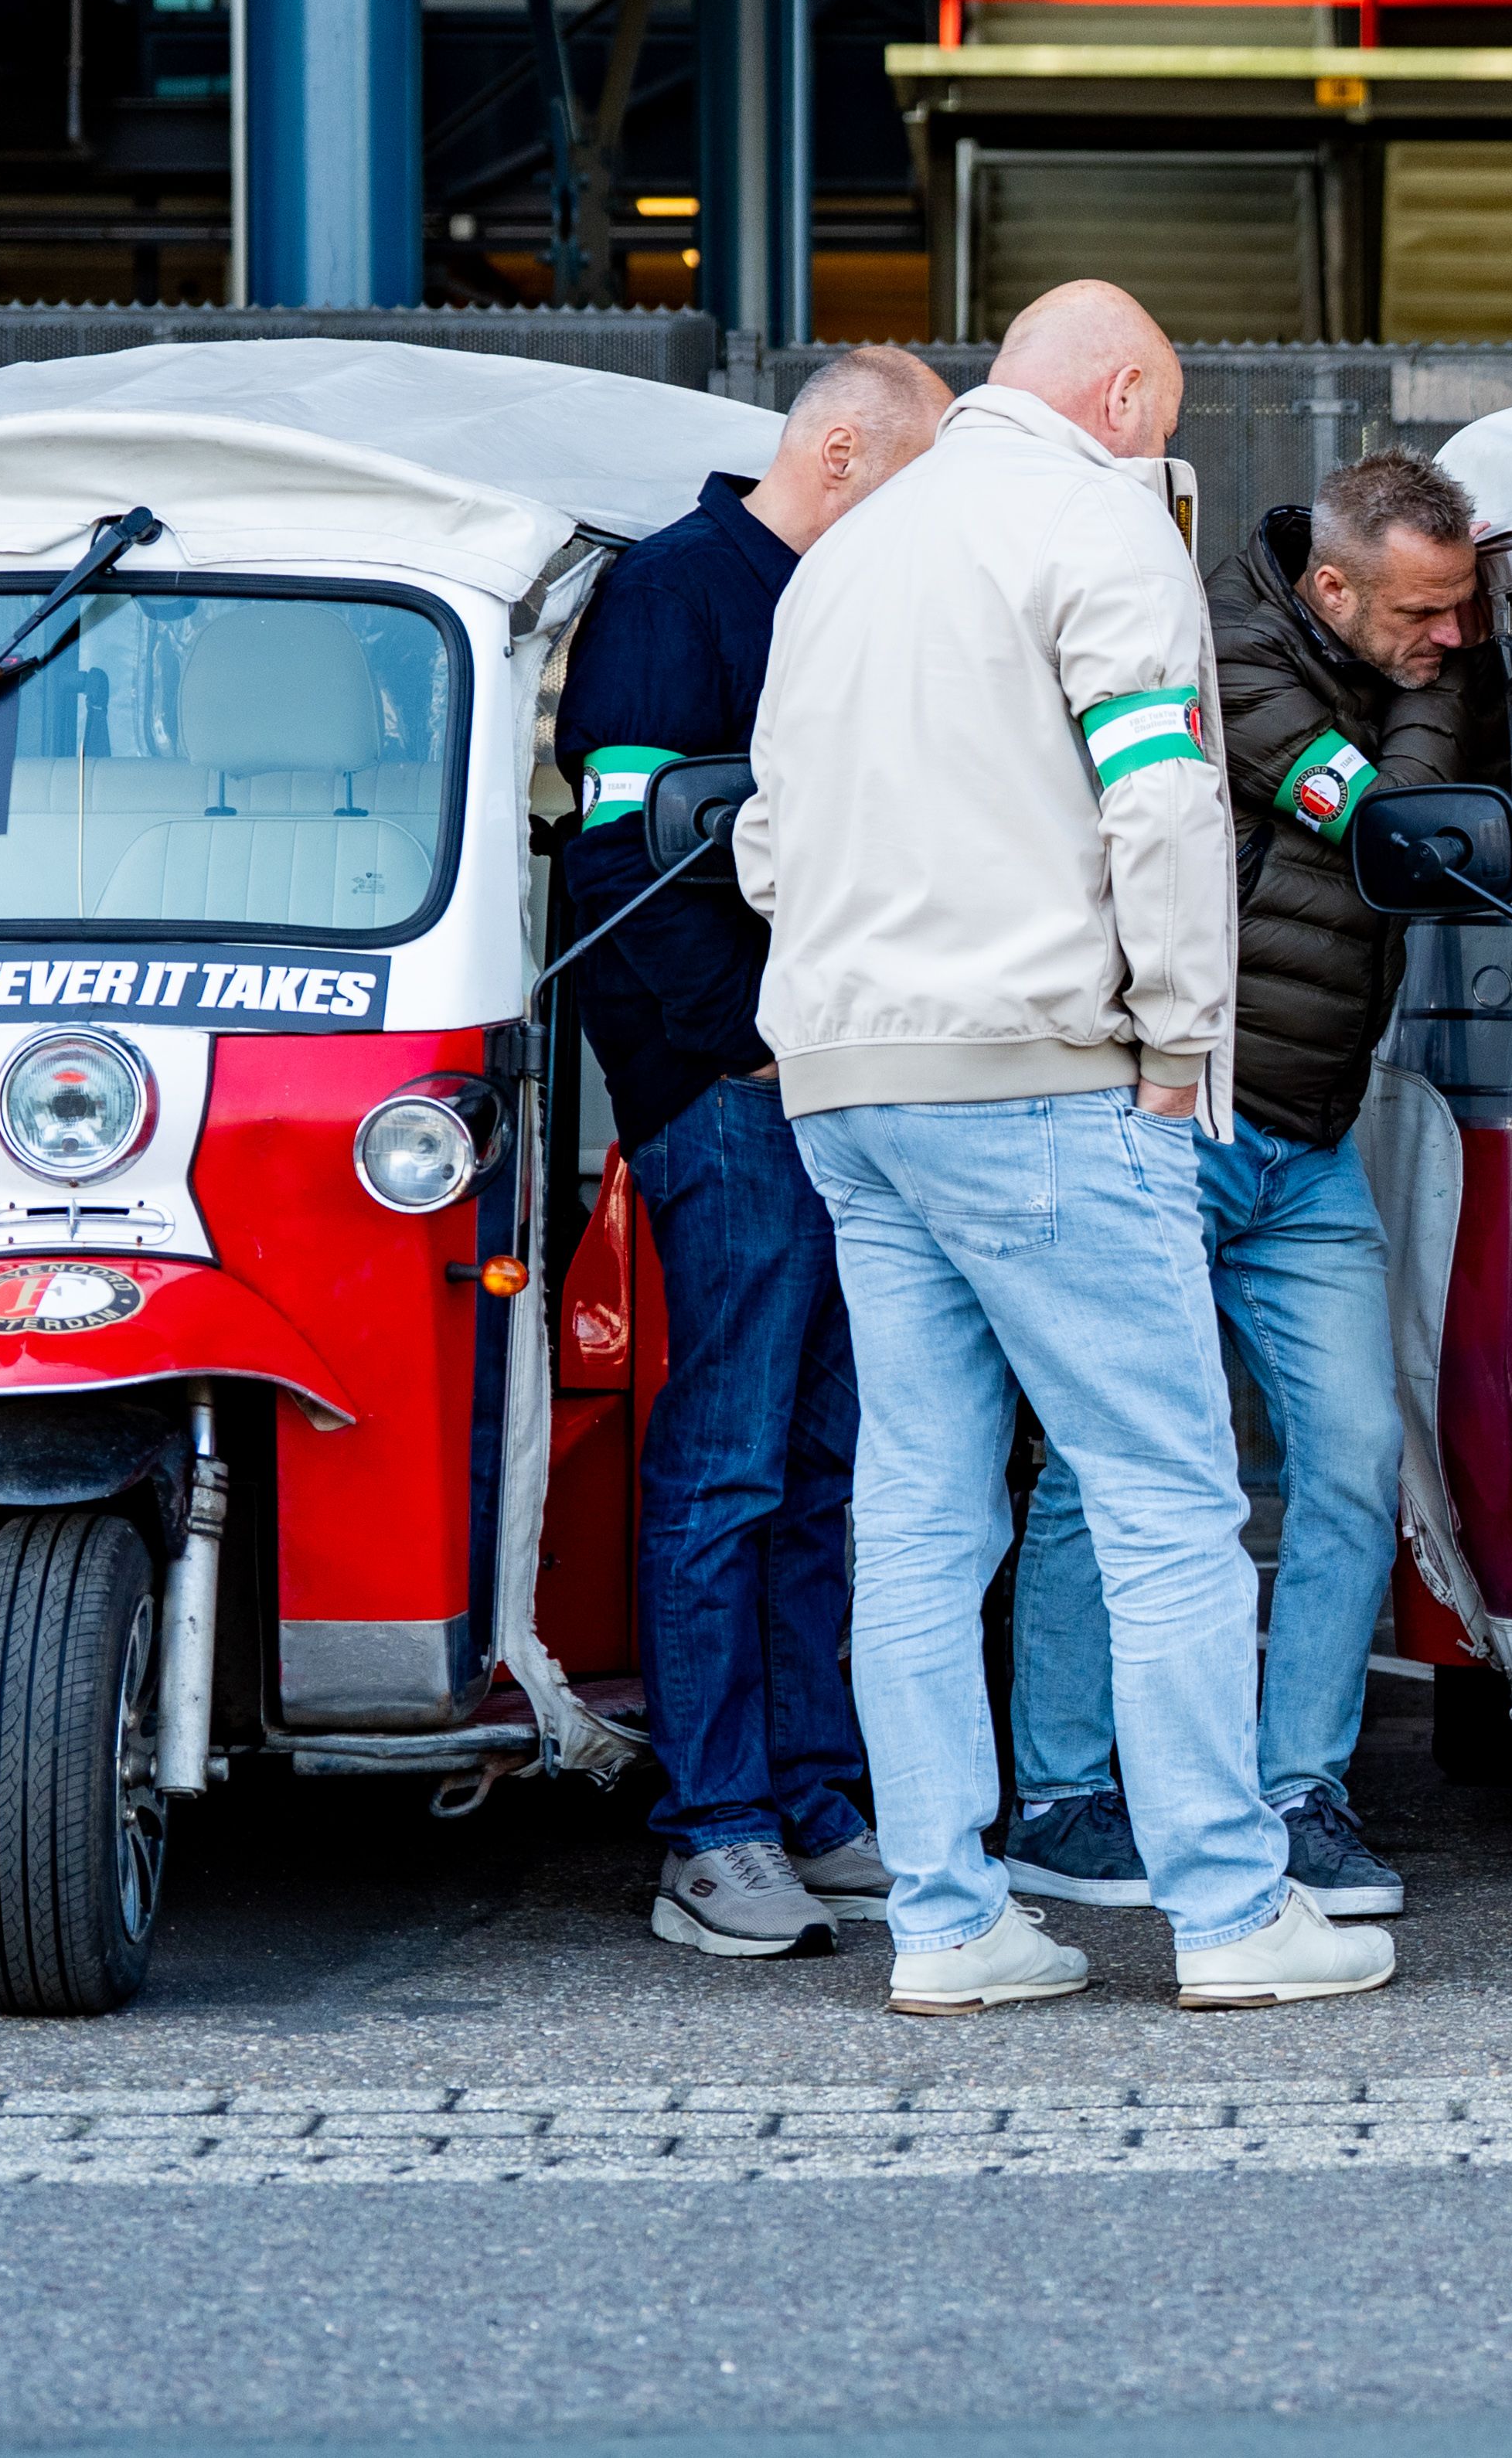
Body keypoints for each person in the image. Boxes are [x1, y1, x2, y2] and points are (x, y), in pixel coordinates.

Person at [737, 280, 1391, 2017]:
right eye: (1159, 419)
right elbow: (1162, 798)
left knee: (918, 1509)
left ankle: (948, 1924)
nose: (1159, 449)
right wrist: (1182, 1036)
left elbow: (765, 841)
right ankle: (1230, 1910)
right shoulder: (1098, 524)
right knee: (1167, 1494)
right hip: (1034, 1072)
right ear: (1118, 398)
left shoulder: (844, 558)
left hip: (847, 1079)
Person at [1003, 448, 1497, 1922]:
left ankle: (1299, 1792)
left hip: (1310, 1142)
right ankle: (1061, 1799)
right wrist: (1429, 698)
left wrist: (1420, 674)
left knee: (1350, 1457)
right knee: (1112, 1462)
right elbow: (1406, 832)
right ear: (1328, 586)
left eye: (1461, 612)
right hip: (1176, 1125)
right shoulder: (1219, 648)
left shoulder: (1392, 651)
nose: (1450, 640)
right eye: (1421, 614)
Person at [557, 348, 948, 1961]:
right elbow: (616, 858)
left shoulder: (823, 590)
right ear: (841, 449)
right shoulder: (677, 593)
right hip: (737, 1089)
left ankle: (813, 1798)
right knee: (729, 1458)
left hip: (832, 1080)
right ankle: (715, 1831)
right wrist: (740, 1043)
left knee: (822, 1458)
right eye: (914, 477)